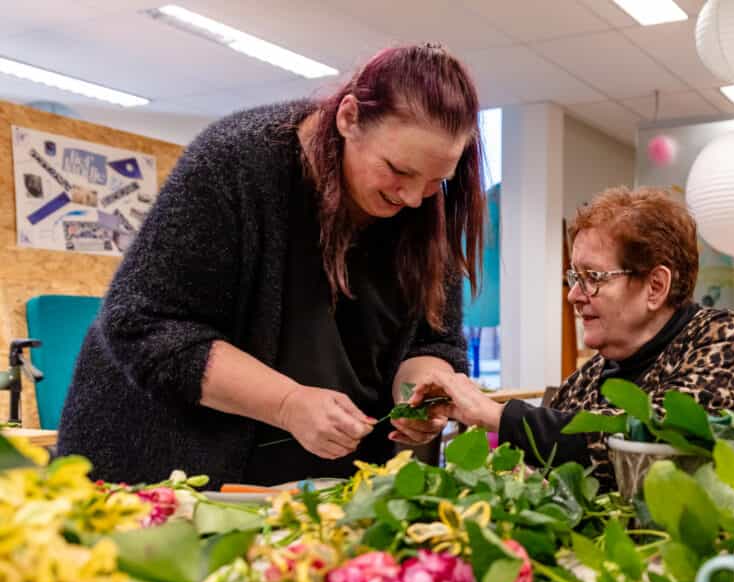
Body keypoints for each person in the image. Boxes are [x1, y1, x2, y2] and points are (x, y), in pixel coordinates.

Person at [58, 44, 484, 487]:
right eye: (398, 170)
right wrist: (287, 403)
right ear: (349, 118)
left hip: (320, 485)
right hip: (166, 470)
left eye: (435, 181)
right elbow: (142, 325)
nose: (413, 198)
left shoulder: (427, 210)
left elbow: (435, 341)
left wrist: (418, 396)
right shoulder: (234, 163)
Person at [412, 186, 734, 487]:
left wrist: (497, 415)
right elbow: (550, 457)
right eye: (575, 277)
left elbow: (651, 440)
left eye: (593, 278)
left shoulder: (723, 337)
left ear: (656, 286)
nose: (573, 295)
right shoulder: (589, 378)